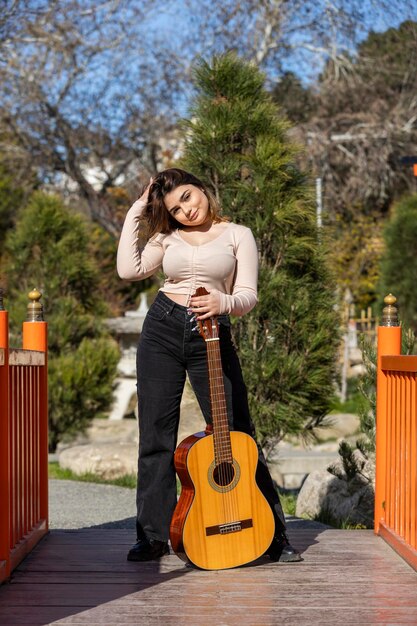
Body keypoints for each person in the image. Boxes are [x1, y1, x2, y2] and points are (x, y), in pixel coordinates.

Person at [117, 168, 301, 564]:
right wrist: (137, 211)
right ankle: (151, 536)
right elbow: (129, 270)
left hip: (213, 334)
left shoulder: (239, 234)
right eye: (175, 207)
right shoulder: (166, 237)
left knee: (237, 434)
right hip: (162, 329)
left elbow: (248, 294)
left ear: (201, 188)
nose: (185, 209)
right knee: (155, 436)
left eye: (187, 196)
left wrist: (223, 303)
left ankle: (274, 535)